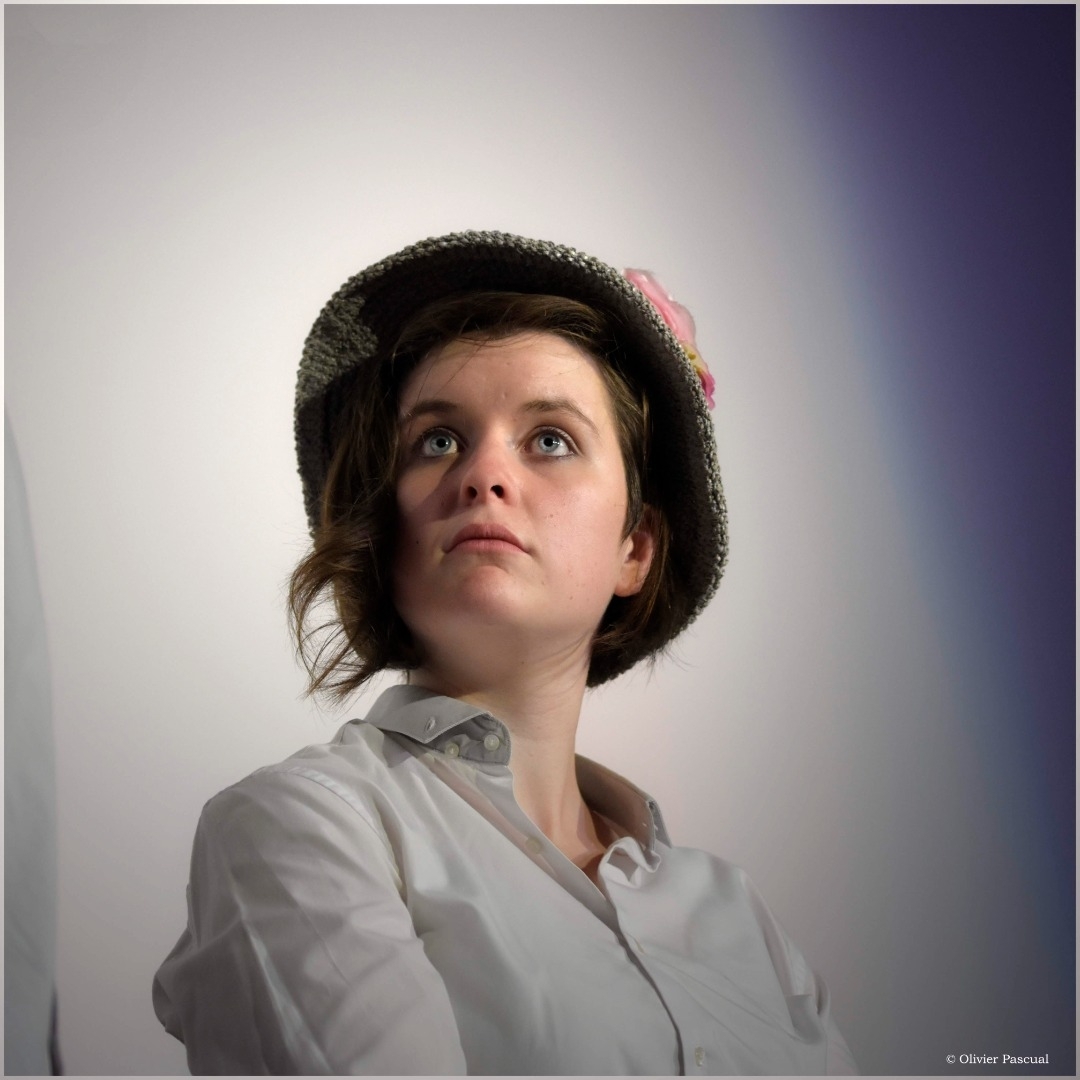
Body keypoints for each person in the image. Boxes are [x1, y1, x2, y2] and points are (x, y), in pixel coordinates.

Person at [152, 231, 857, 1075]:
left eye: (551, 439)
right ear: (384, 532)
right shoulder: (302, 826)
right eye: (437, 441)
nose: (483, 474)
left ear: (635, 548)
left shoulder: (739, 917)